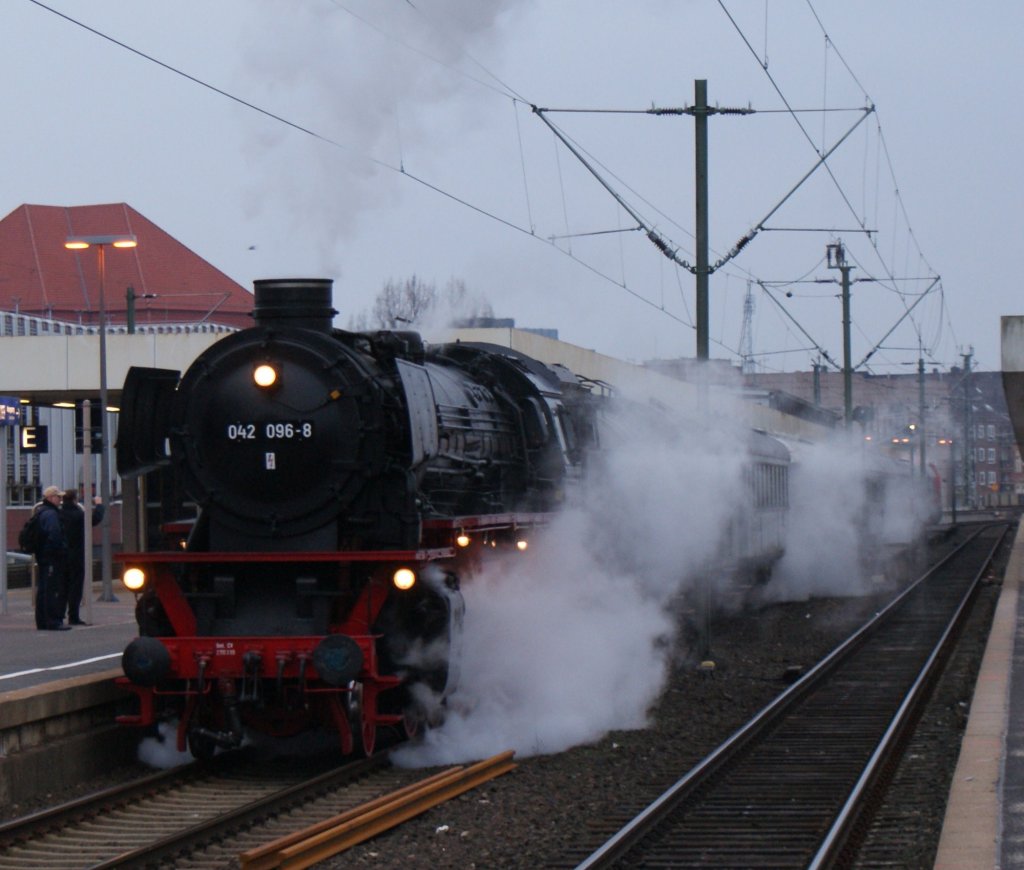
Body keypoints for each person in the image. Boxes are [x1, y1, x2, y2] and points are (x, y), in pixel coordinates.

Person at [61, 489, 104, 626]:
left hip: (61, 554)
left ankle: (59, 614)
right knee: (75, 586)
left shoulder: (59, 514)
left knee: (63, 585)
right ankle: (73, 616)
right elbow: (95, 519)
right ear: (75, 499)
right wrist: (99, 505)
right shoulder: (78, 514)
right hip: (77, 554)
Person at [33, 485, 70, 631]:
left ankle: (42, 621)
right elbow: (54, 534)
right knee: (51, 589)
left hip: (43, 555)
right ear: (50, 498)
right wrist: (59, 550)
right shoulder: (51, 514)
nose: (60, 500)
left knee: (43, 589)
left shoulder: (40, 512)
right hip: (51, 557)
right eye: (58, 497)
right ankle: (53, 621)